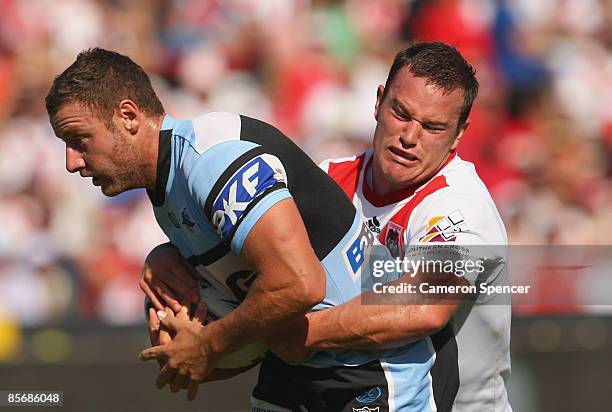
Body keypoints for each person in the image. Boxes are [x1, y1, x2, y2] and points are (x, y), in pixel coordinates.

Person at [46, 48, 452, 411]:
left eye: (79, 139)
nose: (71, 161)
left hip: (366, 373)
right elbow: (266, 323)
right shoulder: (170, 189)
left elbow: (299, 285)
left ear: (129, 116)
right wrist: (189, 346)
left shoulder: (212, 163)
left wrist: (208, 344)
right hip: (295, 371)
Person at [143, 42, 512, 411]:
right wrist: (170, 255)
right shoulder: (327, 179)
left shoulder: (462, 207)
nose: (410, 137)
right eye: (401, 113)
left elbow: (425, 307)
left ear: (459, 133)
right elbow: (257, 269)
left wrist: (302, 333)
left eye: (433, 127)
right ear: (379, 102)